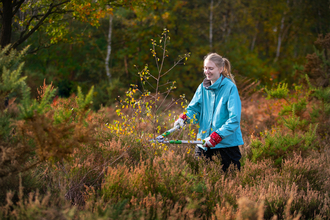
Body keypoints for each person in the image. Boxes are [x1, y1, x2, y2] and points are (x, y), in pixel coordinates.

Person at [174, 53, 244, 172]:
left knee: (229, 183)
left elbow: (234, 119)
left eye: (211, 68)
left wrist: (217, 136)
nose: (207, 71)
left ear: (220, 69)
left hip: (226, 146)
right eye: (205, 68)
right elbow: (194, 110)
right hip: (203, 144)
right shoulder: (202, 87)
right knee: (200, 182)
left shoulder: (230, 88)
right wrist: (184, 118)